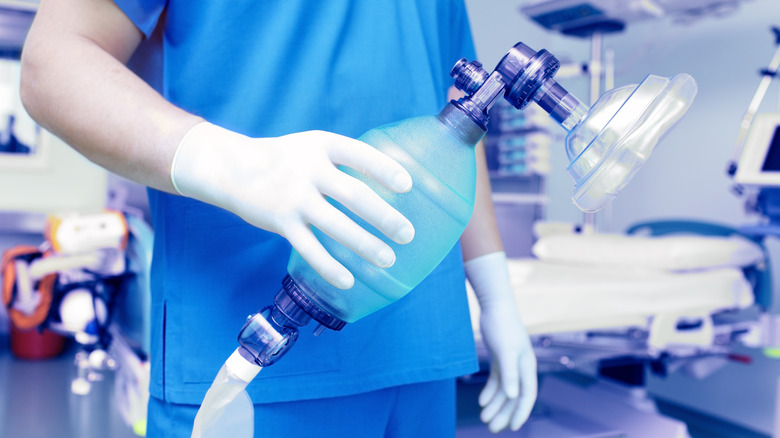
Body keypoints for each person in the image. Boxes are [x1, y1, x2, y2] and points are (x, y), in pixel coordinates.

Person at [20, 0, 537, 436]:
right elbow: (55, 64)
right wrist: (230, 164)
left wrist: (494, 292)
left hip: (421, 336)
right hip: (243, 355)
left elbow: (458, 119)